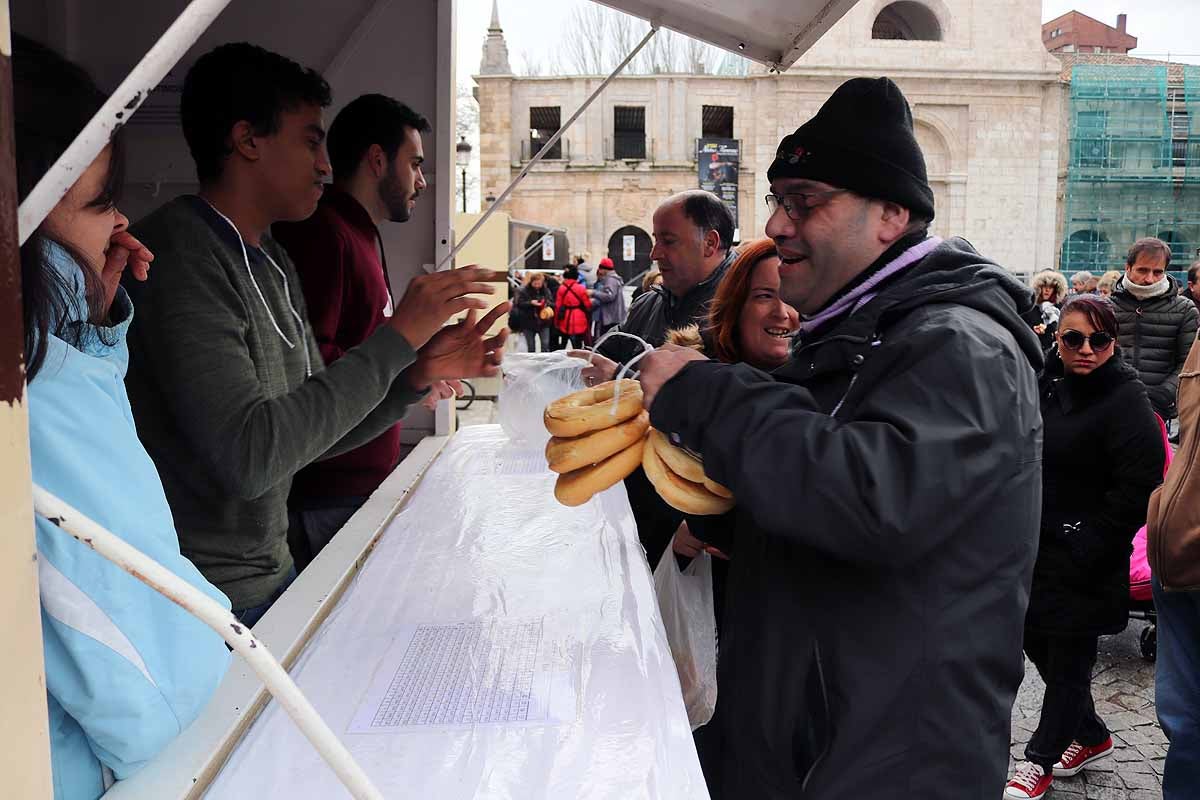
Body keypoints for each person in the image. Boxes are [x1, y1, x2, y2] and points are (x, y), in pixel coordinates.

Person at [635, 77, 1043, 798]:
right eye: (778, 201)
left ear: (891, 214)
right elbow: (829, 496)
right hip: (805, 753)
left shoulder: (960, 343)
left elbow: (873, 496)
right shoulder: (857, 333)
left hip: (883, 771)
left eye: (806, 202)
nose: (779, 226)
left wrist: (705, 395)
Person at [123, 43, 508, 625]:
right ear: (248, 140)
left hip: (269, 574)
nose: (326, 166)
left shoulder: (272, 256)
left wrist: (412, 377)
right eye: (310, 141)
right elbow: (251, 458)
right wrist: (397, 338)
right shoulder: (181, 256)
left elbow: (309, 438)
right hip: (201, 596)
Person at [14, 36, 230, 799]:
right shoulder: (33, 391)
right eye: (101, 199)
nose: (120, 221)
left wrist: (85, 323)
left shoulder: (47, 360)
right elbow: (131, 637)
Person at [271, 94, 453, 568]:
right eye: (414, 164)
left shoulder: (359, 232)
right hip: (326, 493)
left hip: (353, 484)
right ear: (377, 160)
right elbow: (310, 374)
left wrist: (420, 368)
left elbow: (364, 349)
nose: (421, 180)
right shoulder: (323, 234)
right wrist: (408, 363)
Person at [1004, 297, 1164, 799]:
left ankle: (1040, 759)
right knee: (1040, 646)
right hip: (1035, 547)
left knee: (1070, 662)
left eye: (1099, 339)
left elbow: (1140, 482)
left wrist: (1089, 539)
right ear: (1058, 338)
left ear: (1113, 342)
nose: (1087, 349)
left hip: (1088, 553)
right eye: (1074, 338)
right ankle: (1091, 736)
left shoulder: (1126, 398)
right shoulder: (1044, 383)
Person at [579, 190, 737, 567]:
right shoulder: (648, 302)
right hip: (636, 499)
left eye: (668, 240)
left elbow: (727, 404)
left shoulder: (740, 311)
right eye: (654, 240)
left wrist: (619, 376)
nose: (654, 254)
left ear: (710, 243)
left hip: (695, 519)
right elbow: (613, 368)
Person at [1110, 237, 1199, 423]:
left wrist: (1162, 396)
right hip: (1109, 404)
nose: (1149, 279)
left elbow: (1188, 363)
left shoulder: (1185, 309)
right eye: (1142, 270)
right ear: (1128, 267)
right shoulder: (1106, 307)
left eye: (1157, 272)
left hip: (1158, 410)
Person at [514, 271, 556, 352]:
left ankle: (544, 361)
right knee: (531, 346)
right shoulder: (524, 291)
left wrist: (546, 303)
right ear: (531, 282)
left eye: (539, 284)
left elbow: (552, 303)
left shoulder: (546, 291)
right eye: (535, 283)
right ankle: (532, 362)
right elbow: (519, 304)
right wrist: (530, 303)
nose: (537, 286)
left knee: (545, 344)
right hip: (528, 322)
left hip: (544, 321)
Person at [553, 264, 591, 349]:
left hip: (565, 319)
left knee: (563, 343)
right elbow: (587, 305)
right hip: (579, 318)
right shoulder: (581, 288)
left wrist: (556, 322)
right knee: (577, 345)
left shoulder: (562, 288)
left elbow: (558, 306)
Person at [588, 257, 627, 339]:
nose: (599, 271)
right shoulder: (614, 279)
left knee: (605, 339)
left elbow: (609, 296)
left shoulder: (610, 280)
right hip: (614, 317)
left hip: (610, 317)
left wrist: (593, 293)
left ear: (604, 269)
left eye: (600, 268)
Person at [1029, 270, 1067, 350]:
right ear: (1039, 288)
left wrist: (1049, 328)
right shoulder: (1030, 308)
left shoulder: (1061, 309)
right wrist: (1035, 331)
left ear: (1056, 289)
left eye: (1051, 287)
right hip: (1036, 351)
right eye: (1044, 286)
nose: (1047, 290)